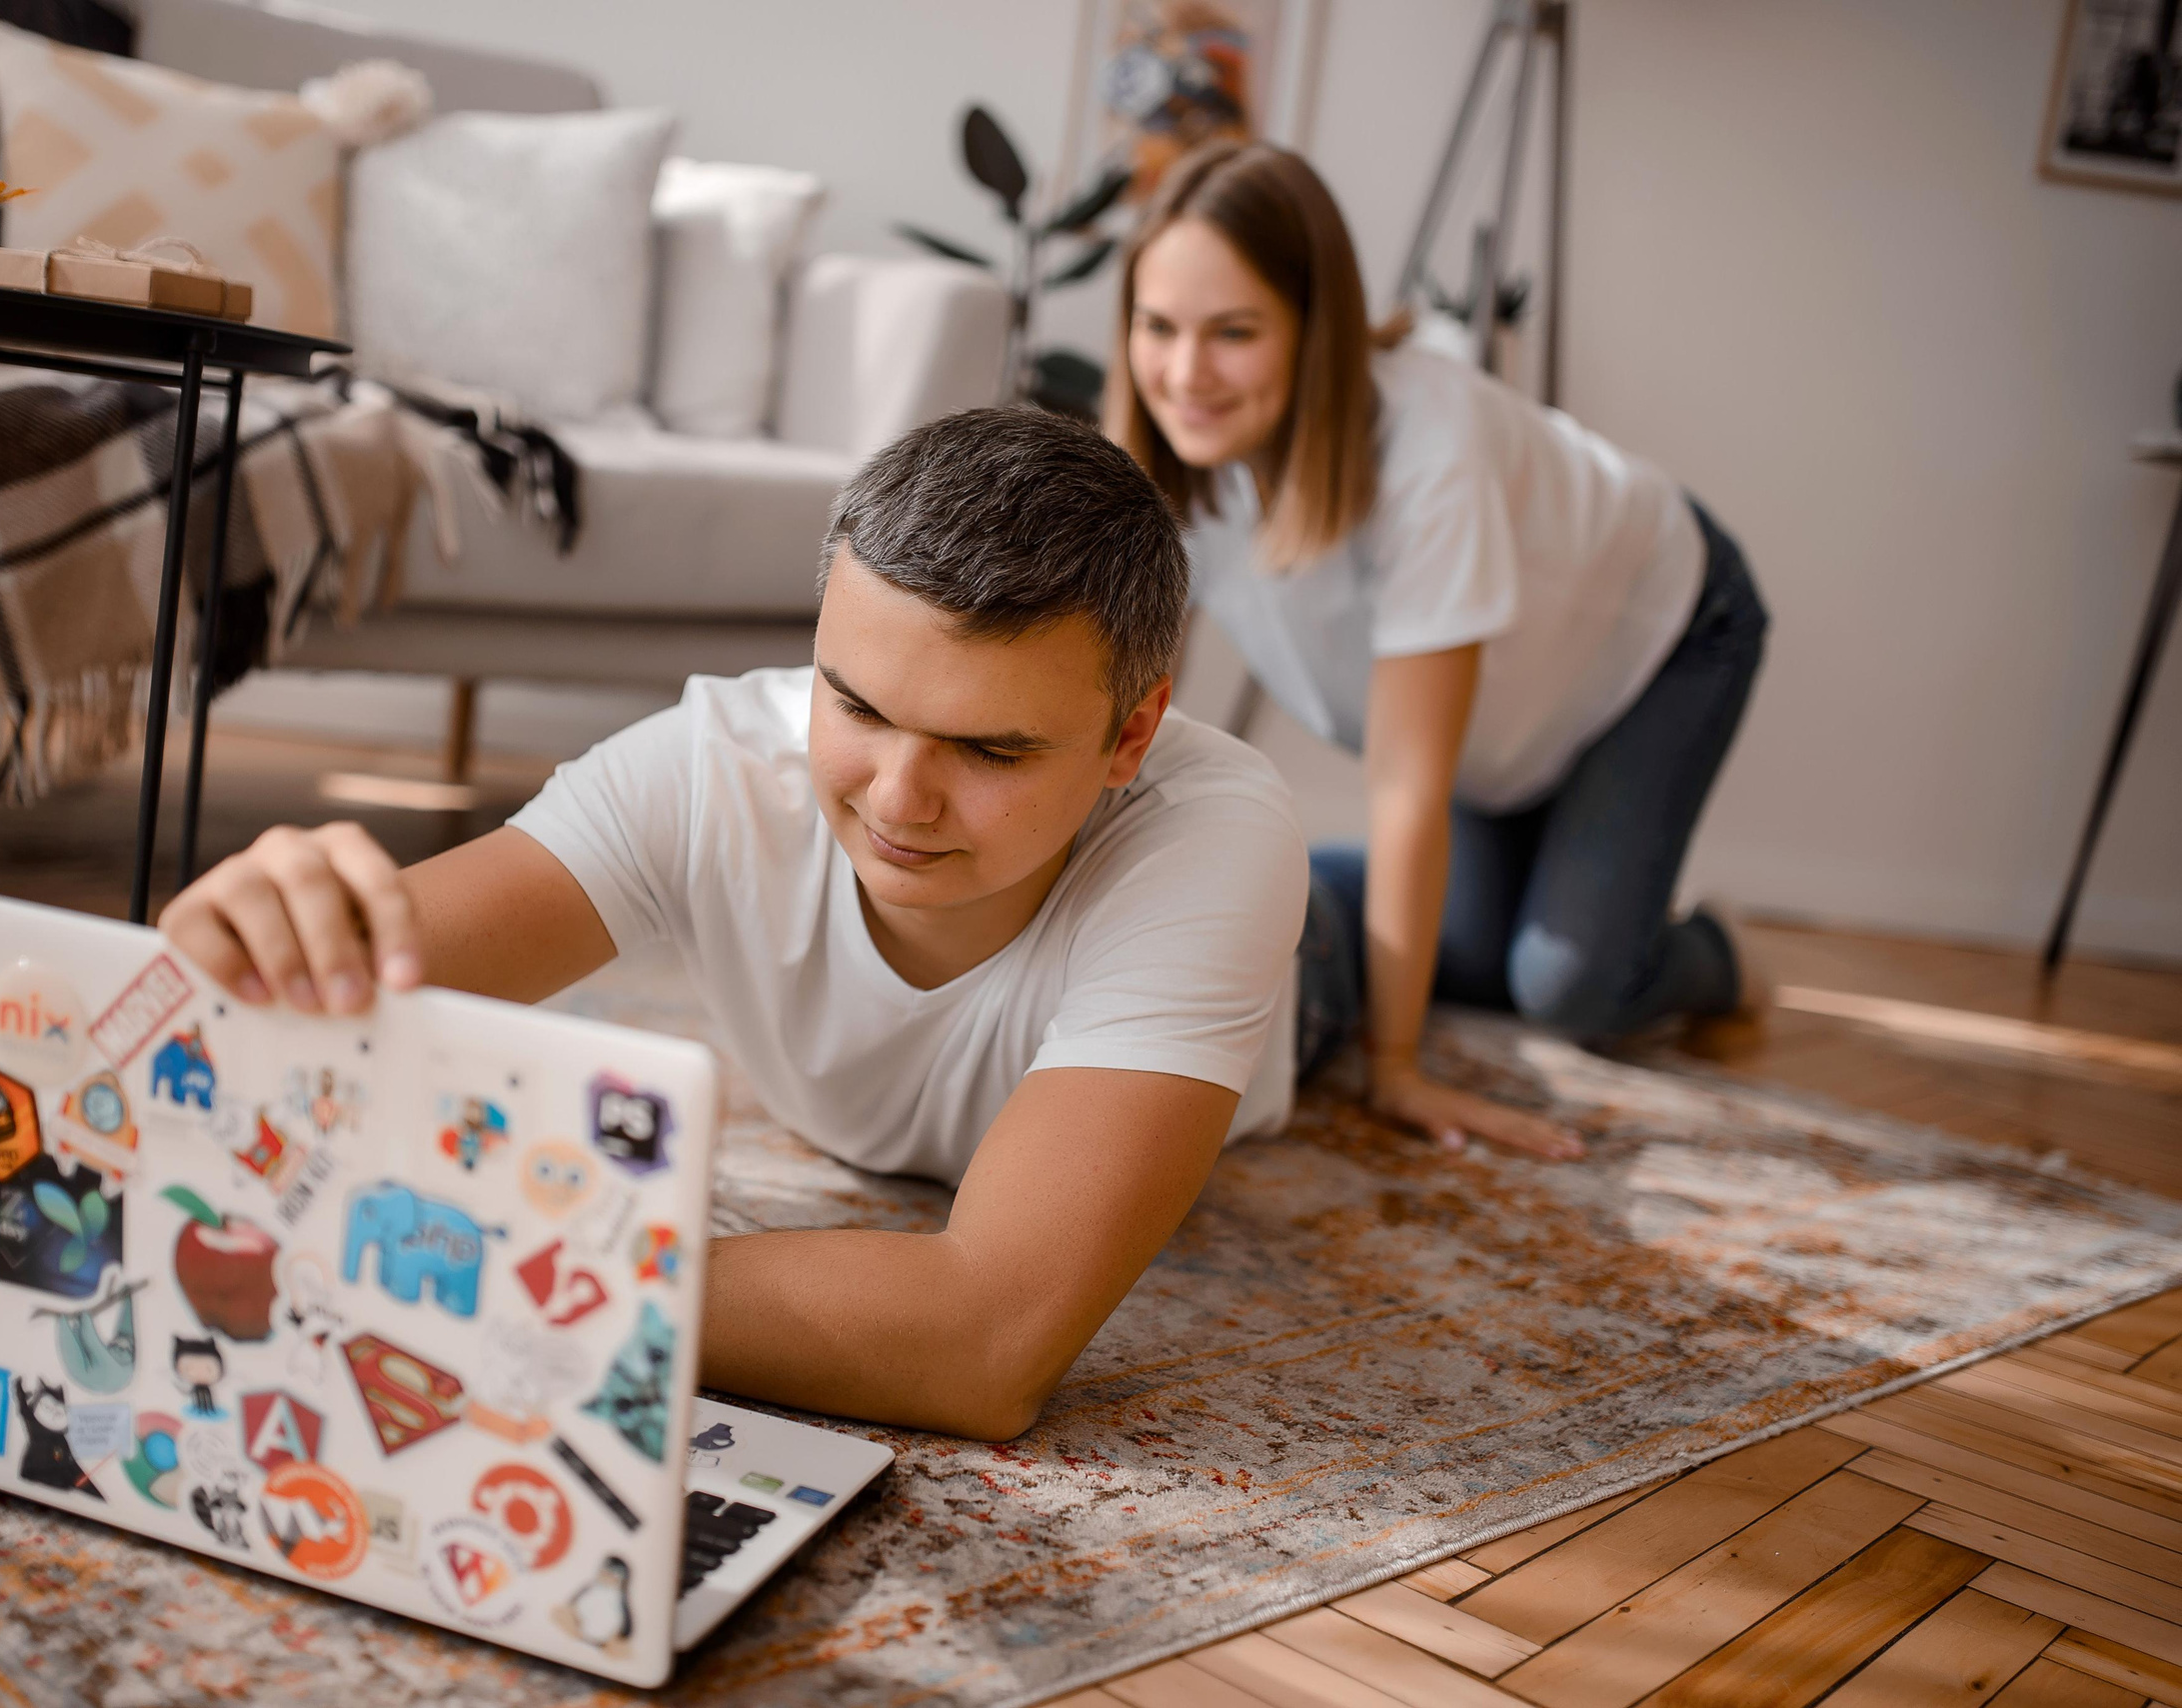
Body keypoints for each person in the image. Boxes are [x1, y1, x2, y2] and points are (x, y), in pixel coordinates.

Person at [160, 408, 1309, 1442]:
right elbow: (341, 984)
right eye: (854, 703)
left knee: (1446, 945)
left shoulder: (1215, 844)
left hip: (1300, 982)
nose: (897, 798)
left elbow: (984, 1344)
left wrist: (513, 1282)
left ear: (1129, 734)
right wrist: (253, 942)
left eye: (990, 748)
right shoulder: (714, 762)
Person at [1107, 142, 1770, 1161]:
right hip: (1507, 711)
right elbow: (1130, 711)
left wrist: (1397, 1066)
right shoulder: (1178, 465)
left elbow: (1407, 787)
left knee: (1567, 988)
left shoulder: (1429, 448)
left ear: (1312, 328)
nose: (1184, 375)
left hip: (1660, 636)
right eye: (1157, 327)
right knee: (1458, 951)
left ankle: (1717, 954)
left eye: (1231, 331)